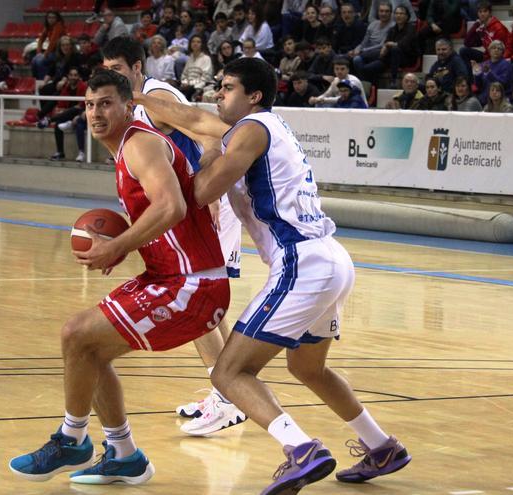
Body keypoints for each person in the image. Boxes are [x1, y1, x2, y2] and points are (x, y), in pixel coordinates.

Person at [135, 57, 411, 493]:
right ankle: (382, 447)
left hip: (302, 262)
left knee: (228, 373)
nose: (219, 95)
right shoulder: (261, 128)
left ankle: (300, 449)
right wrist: (144, 100)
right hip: (330, 258)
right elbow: (191, 117)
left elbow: (204, 191)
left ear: (254, 96)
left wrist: (197, 159)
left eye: (227, 88)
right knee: (308, 368)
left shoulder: (252, 129)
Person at [8, 69, 230, 485]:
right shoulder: (126, 150)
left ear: (129, 106)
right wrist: (126, 243)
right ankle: (124, 454)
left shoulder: (140, 144)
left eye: (106, 103)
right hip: (169, 276)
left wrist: (120, 244)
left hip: (191, 282)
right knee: (88, 352)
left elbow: (173, 207)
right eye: (90, 105)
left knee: (77, 334)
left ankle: (72, 438)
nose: (95, 113)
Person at [100, 37, 247, 435]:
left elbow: (211, 134)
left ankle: (230, 395)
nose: (110, 75)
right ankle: (229, 391)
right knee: (200, 301)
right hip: (184, 208)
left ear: (136, 67)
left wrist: (208, 187)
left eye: (117, 68)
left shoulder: (155, 95)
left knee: (197, 298)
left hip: (204, 204)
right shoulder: (125, 106)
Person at [48, 68, 88, 162]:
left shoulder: (83, 87)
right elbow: (61, 104)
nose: (73, 77)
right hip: (68, 114)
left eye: (75, 75)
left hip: (81, 114)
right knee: (58, 124)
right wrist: (61, 110)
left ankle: (81, 153)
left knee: (78, 118)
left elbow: (82, 106)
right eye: (71, 75)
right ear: (68, 76)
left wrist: (76, 115)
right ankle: (60, 152)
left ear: (78, 77)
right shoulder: (66, 87)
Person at [349, 1, 395, 82]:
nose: (383, 14)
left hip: (380, 54)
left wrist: (362, 51)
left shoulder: (393, 26)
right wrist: (357, 49)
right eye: (381, 11)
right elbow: (364, 42)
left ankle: (365, 85)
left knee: (361, 62)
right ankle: (365, 84)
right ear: (378, 12)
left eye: (386, 11)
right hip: (366, 54)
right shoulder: (373, 24)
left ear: (391, 13)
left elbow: (382, 45)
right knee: (354, 59)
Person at [472, 39, 513, 104]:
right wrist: (477, 74)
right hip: (485, 97)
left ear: (502, 52)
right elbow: (479, 86)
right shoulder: (484, 64)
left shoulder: (506, 65)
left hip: (501, 97)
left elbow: (502, 84)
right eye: (493, 48)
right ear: (489, 51)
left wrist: (489, 73)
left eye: (499, 49)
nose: (496, 50)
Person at [32, 11, 65, 80]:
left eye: (53, 17)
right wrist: (39, 52)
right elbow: (41, 39)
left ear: (57, 19)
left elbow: (53, 42)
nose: (51, 19)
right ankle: (37, 80)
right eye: (49, 17)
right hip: (52, 52)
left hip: (60, 53)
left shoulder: (58, 26)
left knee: (40, 61)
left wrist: (45, 54)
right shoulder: (48, 27)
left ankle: (43, 81)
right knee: (34, 60)